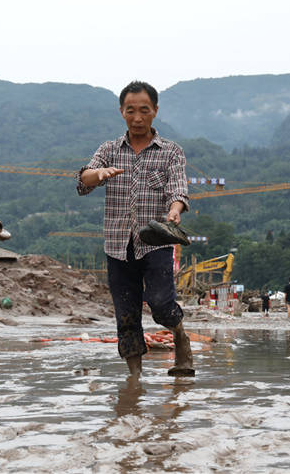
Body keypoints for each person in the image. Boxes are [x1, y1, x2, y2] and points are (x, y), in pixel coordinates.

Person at [77, 81, 194, 377]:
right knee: (126, 316)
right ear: (122, 112)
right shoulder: (109, 149)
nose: (137, 118)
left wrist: (174, 210)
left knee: (161, 304)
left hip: (156, 242)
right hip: (117, 245)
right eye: (131, 111)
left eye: (144, 110)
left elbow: (178, 190)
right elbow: (83, 180)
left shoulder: (171, 152)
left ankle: (180, 336)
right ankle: (134, 382)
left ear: (155, 111)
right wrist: (98, 174)